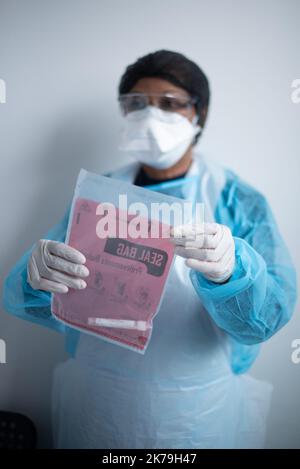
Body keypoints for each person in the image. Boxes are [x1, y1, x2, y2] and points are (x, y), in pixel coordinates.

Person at [3, 50, 297, 449]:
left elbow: (264, 319)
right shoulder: (97, 195)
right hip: (98, 405)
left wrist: (233, 273)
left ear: (200, 114)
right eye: (137, 104)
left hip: (197, 413)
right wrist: (39, 277)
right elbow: (38, 299)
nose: (151, 115)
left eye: (170, 104)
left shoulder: (236, 200)